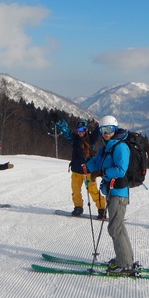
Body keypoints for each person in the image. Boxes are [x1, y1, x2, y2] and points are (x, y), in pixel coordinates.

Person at [84, 115, 136, 275]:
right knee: (117, 226)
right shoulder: (105, 147)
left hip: (119, 193)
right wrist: (86, 166)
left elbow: (121, 170)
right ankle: (125, 259)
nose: (106, 133)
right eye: (103, 130)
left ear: (115, 129)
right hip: (111, 191)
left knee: (115, 227)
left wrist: (103, 172)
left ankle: (125, 264)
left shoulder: (120, 147)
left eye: (109, 130)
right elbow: (97, 162)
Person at [56, 118, 106, 219]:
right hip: (76, 170)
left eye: (82, 130)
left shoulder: (91, 139)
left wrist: (103, 123)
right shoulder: (74, 138)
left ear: (86, 130)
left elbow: (98, 130)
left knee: (93, 190)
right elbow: (66, 131)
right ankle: (78, 207)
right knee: (76, 190)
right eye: (78, 130)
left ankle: (102, 209)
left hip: (88, 171)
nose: (80, 132)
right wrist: (58, 121)